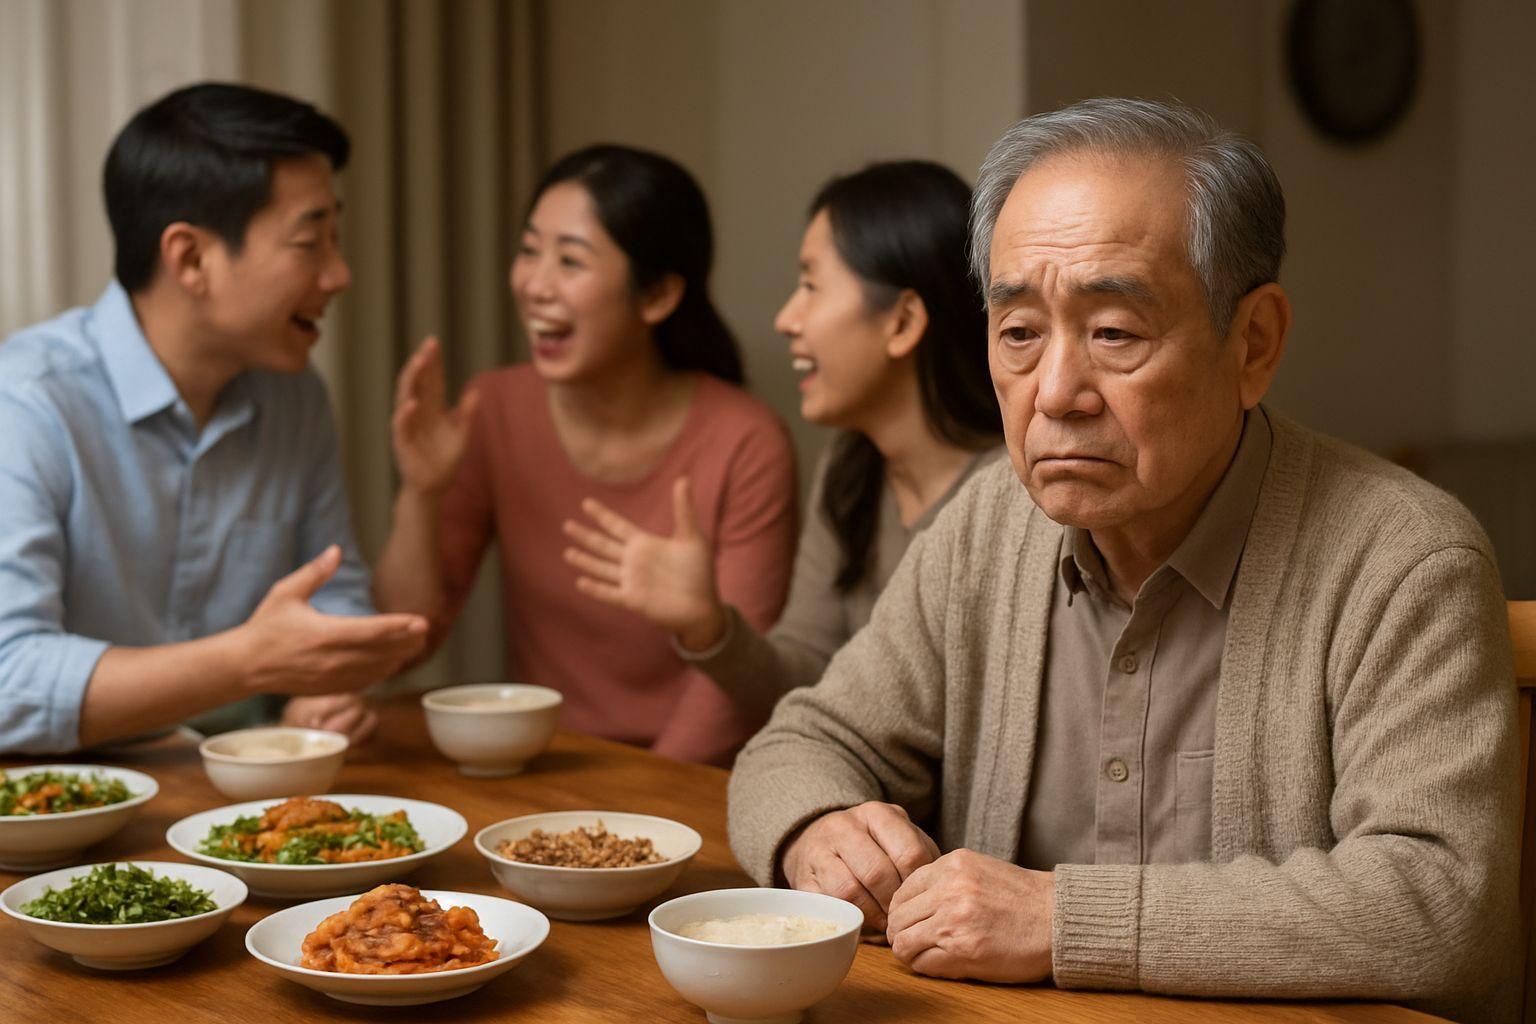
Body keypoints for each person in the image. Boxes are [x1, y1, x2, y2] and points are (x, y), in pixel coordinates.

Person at [727, 98, 1518, 1023]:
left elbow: (1441, 906)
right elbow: (797, 746)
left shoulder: (1405, 558)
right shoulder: (989, 522)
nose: (1056, 394)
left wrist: (1062, 920)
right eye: (1018, 333)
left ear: (1253, 344)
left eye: (1114, 333)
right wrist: (817, 830)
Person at [0, 82, 428, 754]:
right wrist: (249, 662)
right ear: (191, 258)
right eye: (309, 242)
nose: (339, 275)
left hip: (240, 799)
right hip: (57, 819)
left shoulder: (294, 397)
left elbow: (334, 596)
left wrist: (327, 690)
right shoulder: (29, 402)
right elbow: (8, 679)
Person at [374, 144, 797, 766]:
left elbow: (733, 689)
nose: (534, 285)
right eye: (527, 251)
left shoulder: (745, 441)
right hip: (540, 768)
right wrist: (421, 490)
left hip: (687, 785)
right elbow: (403, 639)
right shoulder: (493, 409)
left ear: (656, 296)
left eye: (570, 260)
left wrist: (638, 811)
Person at [561, 161, 1002, 721]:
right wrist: (708, 625)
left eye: (811, 286)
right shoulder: (853, 465)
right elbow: (807, 685)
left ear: (902, 322)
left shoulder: (1011, 495)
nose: (786, 319)